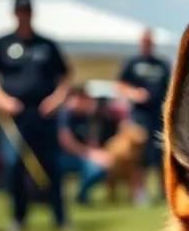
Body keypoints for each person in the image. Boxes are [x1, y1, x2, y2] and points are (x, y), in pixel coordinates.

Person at [0, 0, 72, 231]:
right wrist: (1, 99)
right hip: (15, 118)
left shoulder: (46, 45)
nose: (24, 15)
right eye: (21, 11)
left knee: (51, 166)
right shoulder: (4, 44)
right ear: (15, 13)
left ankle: (60, 218)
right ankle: (18, 219)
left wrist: (56, 99)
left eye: (27, 11)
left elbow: (66, 76)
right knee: (12, 166)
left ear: (32, 13)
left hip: (44, 116)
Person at [117, 28, 170, 204]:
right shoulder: (133, 62)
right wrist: (135, 93)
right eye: (144, 41)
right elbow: (120, 85)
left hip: (159, 115)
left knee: (161, 153)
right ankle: (140, 193)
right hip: (140, 116)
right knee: (140, 156)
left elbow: (170, 87)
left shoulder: (162, 64)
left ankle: (165, 192)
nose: (147, 44)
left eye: (150, 41)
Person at [57, 85, 111, 205]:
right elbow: (66, 142)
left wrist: (98, 153)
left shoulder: (87, 117)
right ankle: (79, 196)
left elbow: (92, 141)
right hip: (62, 156)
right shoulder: (64, 114)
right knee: (93, 167)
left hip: (81, 155)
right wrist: (89, 153)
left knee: (104, 164)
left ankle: (82, 195)